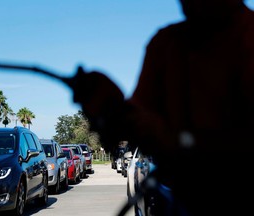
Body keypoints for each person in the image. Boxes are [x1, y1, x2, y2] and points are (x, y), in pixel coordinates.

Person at [72, 0, 254, 215]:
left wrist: (180, 141)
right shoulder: (167, 44)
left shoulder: (248, 36)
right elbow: (137, 120)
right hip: (183, 200)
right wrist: (109, 109)